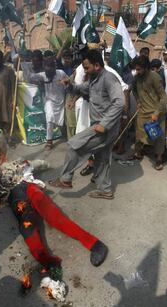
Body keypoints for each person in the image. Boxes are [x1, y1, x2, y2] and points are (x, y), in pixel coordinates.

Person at [49, 49, 125, 199]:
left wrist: (104, 124)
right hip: (98, 125)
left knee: (73, 145)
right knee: (102, 159)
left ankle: (65, 179)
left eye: (86, 67)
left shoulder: (109, 79)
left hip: (104, 128)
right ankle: (106, 190)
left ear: (97, 65)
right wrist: (69, 85)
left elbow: (120, 102)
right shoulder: (93, 80)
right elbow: (80, 89)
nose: (85, 70)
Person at [129, 55, 167, 170]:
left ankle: (159, 158)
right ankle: (137, 153)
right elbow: (134, 90)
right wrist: (138, 101)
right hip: (142, 111)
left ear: (146, 67)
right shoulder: (136, 77)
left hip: (156, 113)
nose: (137, 71)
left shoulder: (154, 77)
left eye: (139, 69)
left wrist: (157, 112)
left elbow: (163, 97)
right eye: (136, 69)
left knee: (157, 137)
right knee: (139, 134)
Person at [27, 59, 68, 150]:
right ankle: (49, 141)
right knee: (49, 119)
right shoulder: (42, 75)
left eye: (51, 68)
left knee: (63, 121)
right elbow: (29, 78)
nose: (48, 70)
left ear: (54, 68)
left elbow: (68, 80)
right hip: (49, 101)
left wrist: (65, 82)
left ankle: (65, 135)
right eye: (46, 68)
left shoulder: (61, 73)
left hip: (61, 101)